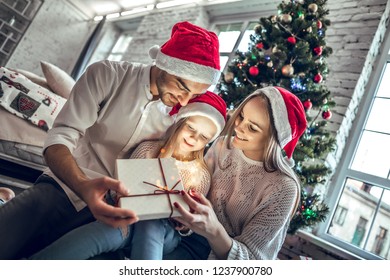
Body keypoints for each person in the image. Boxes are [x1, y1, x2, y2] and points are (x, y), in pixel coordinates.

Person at [0, 21, 221, 260]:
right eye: (181, 87)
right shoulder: (107, 74)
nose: (186, 101)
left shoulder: (183, 118)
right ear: (165, 63)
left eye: (195, 94)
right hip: (64, 187)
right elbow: (59, 138)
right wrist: (83, 186)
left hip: (118, 216)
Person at [30, 91, 227, 260]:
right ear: (180, 123)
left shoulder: (200, 175)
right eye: (191, 128)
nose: (194, 138)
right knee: (104, 232)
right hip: (130, 216)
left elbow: (191, 222)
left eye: (203, 137)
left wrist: (183, 224)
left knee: (153, 221)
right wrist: (130, 205)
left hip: (166, 233)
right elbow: (125, 188)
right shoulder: (148, 150)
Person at [166, 86, 307, 260]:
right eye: (241, 116)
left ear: (274, 139)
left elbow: (252, 261)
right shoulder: (222, 145)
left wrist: (214, 230)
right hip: (183, 237)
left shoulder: (283, 188)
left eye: (253, 128)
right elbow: (197, 191)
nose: (239, 127)